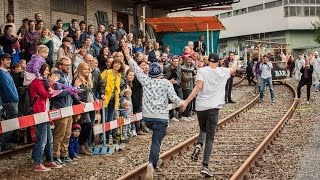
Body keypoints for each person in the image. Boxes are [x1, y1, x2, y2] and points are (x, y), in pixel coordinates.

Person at [122, 44, 184, 180]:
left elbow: (135, 68)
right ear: (160, 73)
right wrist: (182, 104)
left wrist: (127, 54)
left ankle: (155, 159)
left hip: (148, 118)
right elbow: (174, 98)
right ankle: (151, 163)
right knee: (156, 141)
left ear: (150, 73)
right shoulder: (166, 83)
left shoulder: (146, 81)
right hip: (161, 118)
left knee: (156, 138)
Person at [181, 53, 238, 177]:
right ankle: (205, 166)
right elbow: (233, 69)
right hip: (213, 108)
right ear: (218, 62)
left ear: (208, 61)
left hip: (201, 107)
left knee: (203, 129)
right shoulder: (223, 72)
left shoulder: (202, 71)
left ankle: (199, 144)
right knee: (210, 138)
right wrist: (236, 60)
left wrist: (186, 102)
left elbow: (198, 87)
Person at [30, 63, 62, 171]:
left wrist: (50, 84)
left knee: (49, 139)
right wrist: (52, 83)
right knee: (42, 139)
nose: (48, 72)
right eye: (46, 70)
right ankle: (38, 163)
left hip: (45, 111)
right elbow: (46, 95)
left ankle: (49, 160)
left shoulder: (43, 82)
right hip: (40, 112)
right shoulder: (37, 82)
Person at [73, 62, 94, 156]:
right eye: (85, 69)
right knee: (87, 125)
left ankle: (84, 144)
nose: (87, 71)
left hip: (88, 106)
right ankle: (81, 145)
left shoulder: (87, 80)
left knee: (88, 126)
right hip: (81, 106)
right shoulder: (78, 80)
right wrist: (79, 102)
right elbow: (74, 93)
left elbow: (90, 93)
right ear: (80, 69)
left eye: (88, 69)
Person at [0, 53, 19, 151]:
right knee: (10, 124)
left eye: (10, 59)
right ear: (2, 60)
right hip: (9, 102)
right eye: (7, 59)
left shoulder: (6, 72)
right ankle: (4, 144)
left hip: (12, 101)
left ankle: (5, 143)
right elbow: (7, 89)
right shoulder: (1, 73)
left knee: (11, 123)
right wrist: (15, 98)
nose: (10, 61)